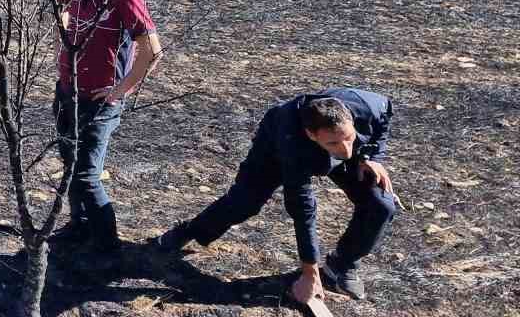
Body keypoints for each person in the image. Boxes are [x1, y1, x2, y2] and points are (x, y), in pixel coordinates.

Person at [154, 89, 396, 302]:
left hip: (339, 147)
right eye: (334, 143)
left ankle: (341, 267)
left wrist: (371, 157)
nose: (345, 150)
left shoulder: (368, 106)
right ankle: (189, 231)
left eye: (349, 137)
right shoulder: (292, 140)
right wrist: (309, 274)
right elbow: (302, 208)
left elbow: (384, 117)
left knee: (381, 204)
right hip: (274, 149)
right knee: (243, 203)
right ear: (312, 134)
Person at [53, 0, 165, 251]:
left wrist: (120, 90)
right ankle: (79, 225)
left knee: (88, 175)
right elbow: (61, 15)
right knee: (71, 166)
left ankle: (107, 246)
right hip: (66, 93)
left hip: (99, 102)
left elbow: (152, 51)